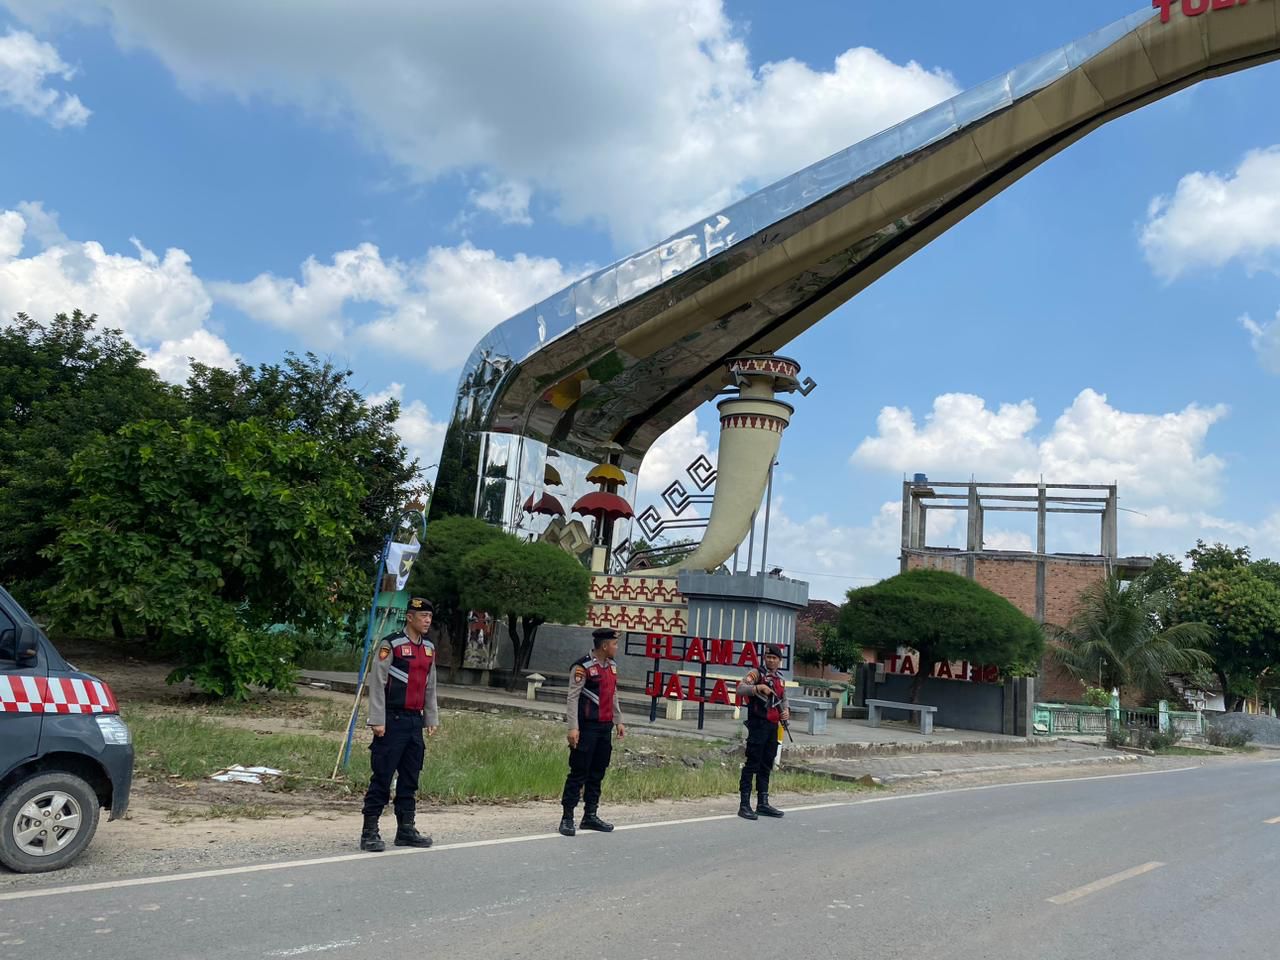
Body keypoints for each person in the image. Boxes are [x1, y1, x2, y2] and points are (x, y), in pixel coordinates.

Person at [359, 596, 439, 852]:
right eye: (423, 616)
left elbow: (431, 685)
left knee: (410, 776)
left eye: (429, 617)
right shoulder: (391, 644)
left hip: (414, 722)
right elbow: (377, 683)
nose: (427, 621)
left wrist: (431, 717)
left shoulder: (428, 648)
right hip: (391, 720)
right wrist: (377, 720)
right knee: (382, 775)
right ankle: (369, 831)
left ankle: (406, 829)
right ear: (410, 617)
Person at [559, 627, 626, 836]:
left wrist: (618, 720)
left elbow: (613, 694)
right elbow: (573, 697)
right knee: (579, 772)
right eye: (614, 644)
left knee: (597, 773)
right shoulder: (583, 667)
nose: (616, 647)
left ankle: (590, 816)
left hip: (604, 728)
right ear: (604, 646)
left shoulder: (612, 666)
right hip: (587, 728)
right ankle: (567, 817)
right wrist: (573, 727)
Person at [736, 643, 790, 820]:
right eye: (768, 657)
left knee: (766, 764)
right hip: (758, 724)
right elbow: (740, 688)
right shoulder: (756, 673)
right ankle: (744, 805)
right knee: (752, 763)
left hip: (773, 726)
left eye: (774, 658)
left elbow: (783, 698)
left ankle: (763, 803)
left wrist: (786, 711)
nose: (771, 660)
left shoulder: (780, 679)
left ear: (779, 661)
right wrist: (757, 688)